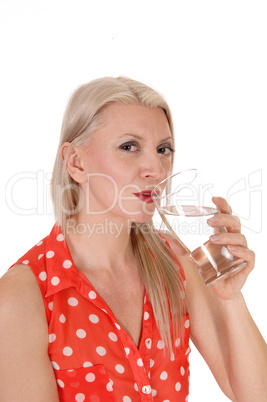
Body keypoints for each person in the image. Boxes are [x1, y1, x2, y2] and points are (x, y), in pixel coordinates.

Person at [0, 76, 266, 402]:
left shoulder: (175, 263)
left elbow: (254, 394)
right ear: (76, 162)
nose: (155, 168)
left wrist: (231, 299)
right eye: (129, 147)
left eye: (163, 149)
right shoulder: (24, 296)